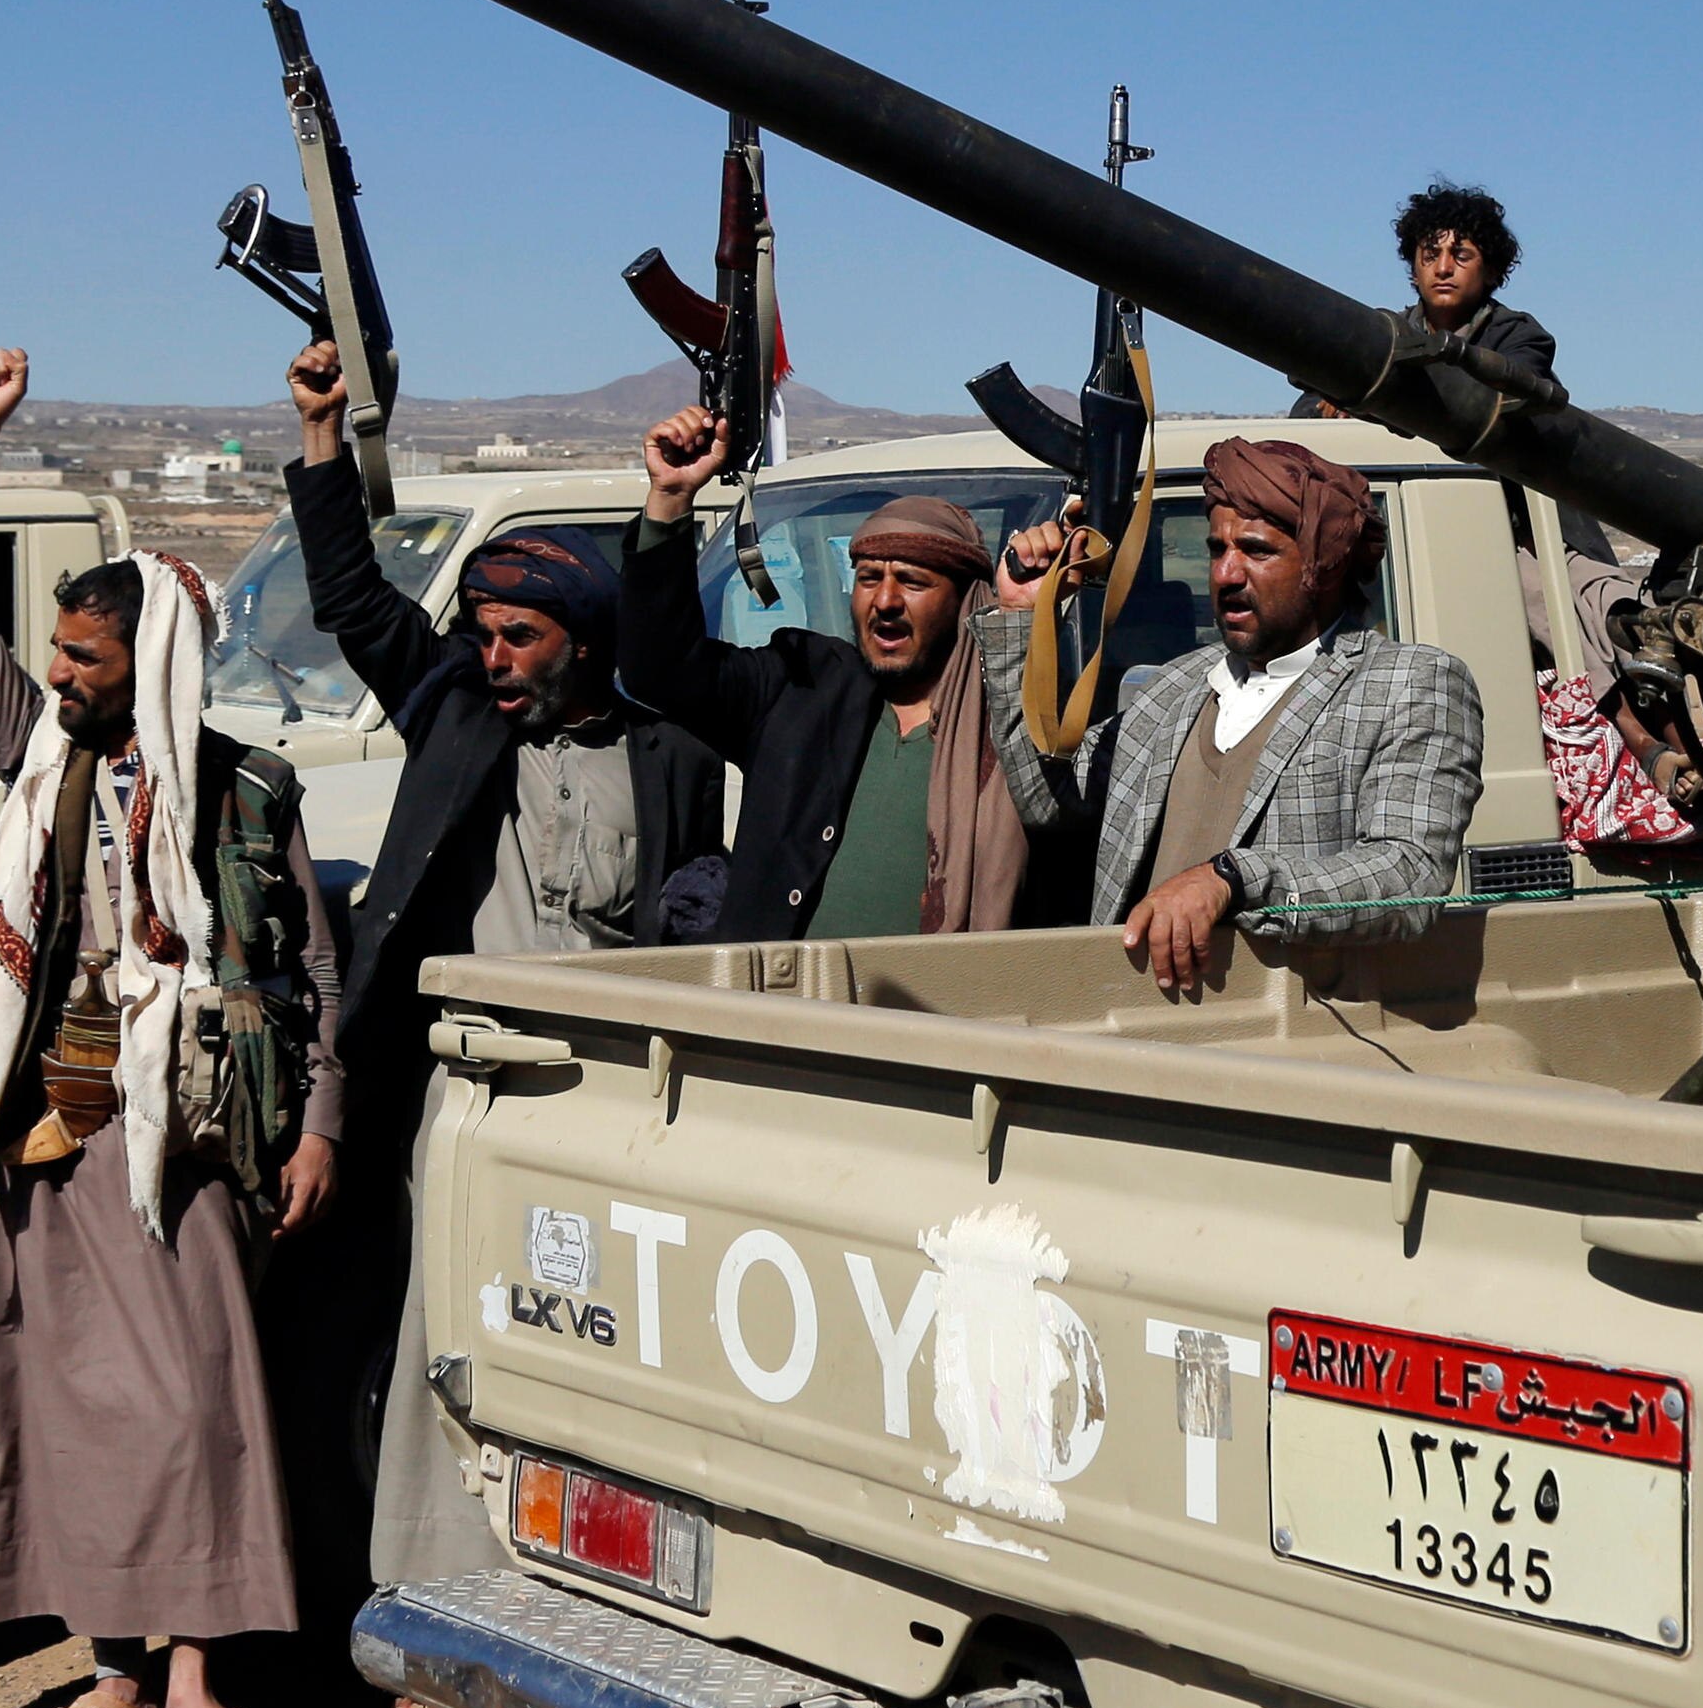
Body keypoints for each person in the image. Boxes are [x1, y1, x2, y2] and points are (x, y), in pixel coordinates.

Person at [0, 352, 346, 1708]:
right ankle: (111, 1677)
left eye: (86, 659)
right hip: (53, 1130)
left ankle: (196, 1693)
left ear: (150, 662)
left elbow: (312, 973)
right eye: (56, 654)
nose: (59, 677)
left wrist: (321, 1125)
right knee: (75, 1410)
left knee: (197, 1408)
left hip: (195, 1145)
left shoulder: (248, 792)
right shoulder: (33, 756)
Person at [286, 341, 726, 1591]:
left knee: (597, 1336)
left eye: (518, 637)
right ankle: (436, 1585)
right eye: (481, 635)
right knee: (454, 1329)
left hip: (611, 1101)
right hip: (469, 1092)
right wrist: (321, 438)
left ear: (579, 642)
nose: (492, 657)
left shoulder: (672, 754)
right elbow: (354, 602)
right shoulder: (454, 714)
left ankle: (587, 1582)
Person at [971, 437, 1481, 993]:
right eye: (1217, 549)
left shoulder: (1407, 682)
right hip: (1130, 1015)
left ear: (1327, 565)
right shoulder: (1177, 685)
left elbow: (1409, 874)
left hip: (1291, 1026)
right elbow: (1047, 799)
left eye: (1257, 551)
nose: (1225, 574)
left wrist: (1234, 880)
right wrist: (1021, 614)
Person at [611, 418, 1066, 942]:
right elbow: (660, 671)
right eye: (868, 578)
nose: (885, 601)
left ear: (965, 599)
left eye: (913, 581)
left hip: (948, 993)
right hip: (785, 991)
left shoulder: (1011, 721)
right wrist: (670, 499)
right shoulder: (800, 687)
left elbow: (1062, 812)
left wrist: (1021, 617)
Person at [1296, 185, 1556, 418]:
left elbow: (1512, 399)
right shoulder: (1381, 336)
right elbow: (1307, 404)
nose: (1443, 269)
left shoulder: (1519, 338)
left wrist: (1371, 400)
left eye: (1461, 256)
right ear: (1414, 271)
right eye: (1430, 256)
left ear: (1491, 270)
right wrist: (1339, 398)